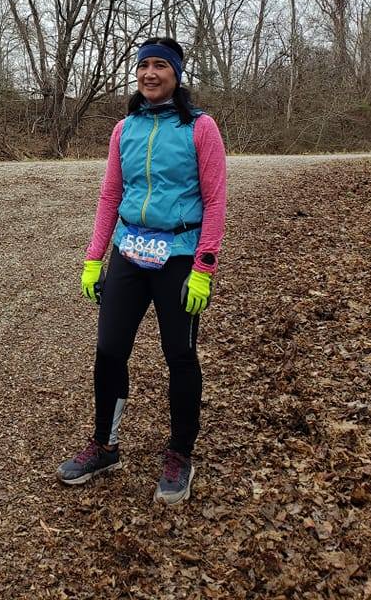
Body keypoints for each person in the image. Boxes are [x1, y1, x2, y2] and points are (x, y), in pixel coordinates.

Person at [56, 37, 227, 504]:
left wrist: (204, 267)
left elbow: (215, 201)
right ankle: (105, 445)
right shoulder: (124, 129)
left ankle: (180, 454)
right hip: (128, 253)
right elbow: (110, 195)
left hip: (179, 257)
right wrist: (94, 258)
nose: (150, 74)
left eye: (160, 66)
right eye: (144, 66)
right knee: (109, 350)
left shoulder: (200, 128)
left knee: (180, 355)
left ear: (176, 73)